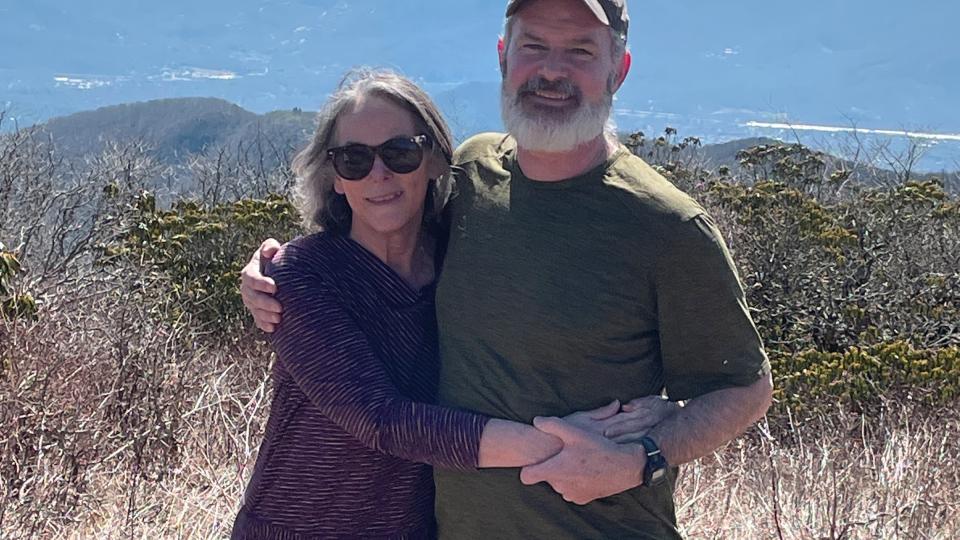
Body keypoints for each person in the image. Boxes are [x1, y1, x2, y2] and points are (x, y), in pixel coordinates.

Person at [242, 0, 773, 538]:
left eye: (581, 51)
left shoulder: (669, 226)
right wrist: (270, 269)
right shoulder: (475, 176)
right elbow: (381, 407)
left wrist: (643, 457)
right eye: (533, 46)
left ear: (620, 70)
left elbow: (745, 390)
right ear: (503, 56)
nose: (551, 70)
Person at [231, 69, 676, 539]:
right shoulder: (302, 275)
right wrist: (560, 444)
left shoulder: (463, 258)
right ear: (335, 178)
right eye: (353, 159)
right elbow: (381, 421)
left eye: (400, 153)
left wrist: (659, 411)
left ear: (436, 160)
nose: (378, 174)